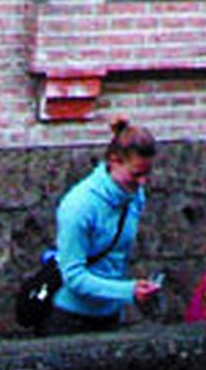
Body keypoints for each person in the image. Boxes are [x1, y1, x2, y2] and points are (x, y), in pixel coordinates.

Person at [49, 116, 164, 330]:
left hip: (110, 313)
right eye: (136, 174)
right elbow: (73, 276)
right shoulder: (79, 206)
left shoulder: (134, 196)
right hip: (71, 316)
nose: (142, 182)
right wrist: (128, 291)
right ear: (114, 161)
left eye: (147, 174)